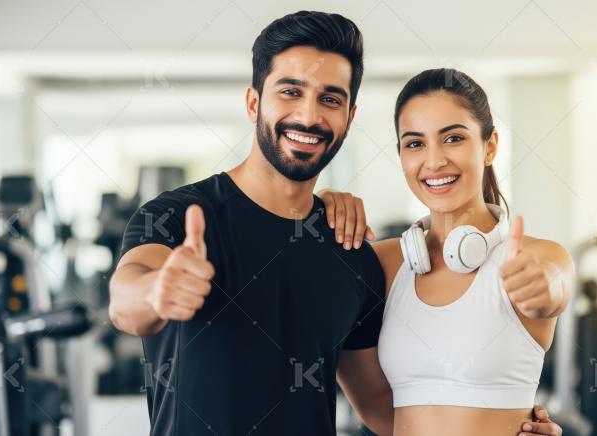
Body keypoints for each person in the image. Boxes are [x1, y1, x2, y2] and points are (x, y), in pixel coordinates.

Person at [110, 10, 562, 436]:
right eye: (290, 91)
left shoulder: (348, 251)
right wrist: (157, 292)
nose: (309, 115)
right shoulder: (176, 215)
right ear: (253, 102)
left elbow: (384, 409)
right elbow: (125, 299)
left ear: (349, 117)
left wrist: (515, 424)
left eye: (330, 99)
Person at [322, 68, 573, 435]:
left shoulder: (539, 257)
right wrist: (322, 209)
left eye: (453, 138)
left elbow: (553, 286)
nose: (434, 161)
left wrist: (542, 289)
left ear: (489, 146)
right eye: (415, 143)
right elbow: (376, 406)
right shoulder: (384, 263)